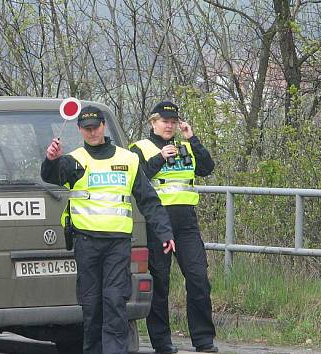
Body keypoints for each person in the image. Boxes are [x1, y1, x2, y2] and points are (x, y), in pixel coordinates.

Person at [41, 105, 176, 354]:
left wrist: (164, 232)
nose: (92, 132)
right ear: (80, 130)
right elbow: (51, 176)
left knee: (115, 302)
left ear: (103, 126)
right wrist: (51, 160)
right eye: (87, 128)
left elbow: (149, 200)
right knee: (92, 307)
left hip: (117, 244)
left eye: (96, 127)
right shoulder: (75, 160)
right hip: (86, 242)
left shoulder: (128, 159)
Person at [129, 101, 218, 353]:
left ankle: (203, 340)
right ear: (152, 122)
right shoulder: (140, 148)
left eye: (173, 122)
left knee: (198, 278)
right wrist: (160, 158)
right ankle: (162, 342)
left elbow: (207, 167)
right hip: (158, 222)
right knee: (160, 283)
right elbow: (137, 178)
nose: (169, 125)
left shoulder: (186, 145)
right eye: (164, 121)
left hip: (186, 222)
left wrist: (193, 138)